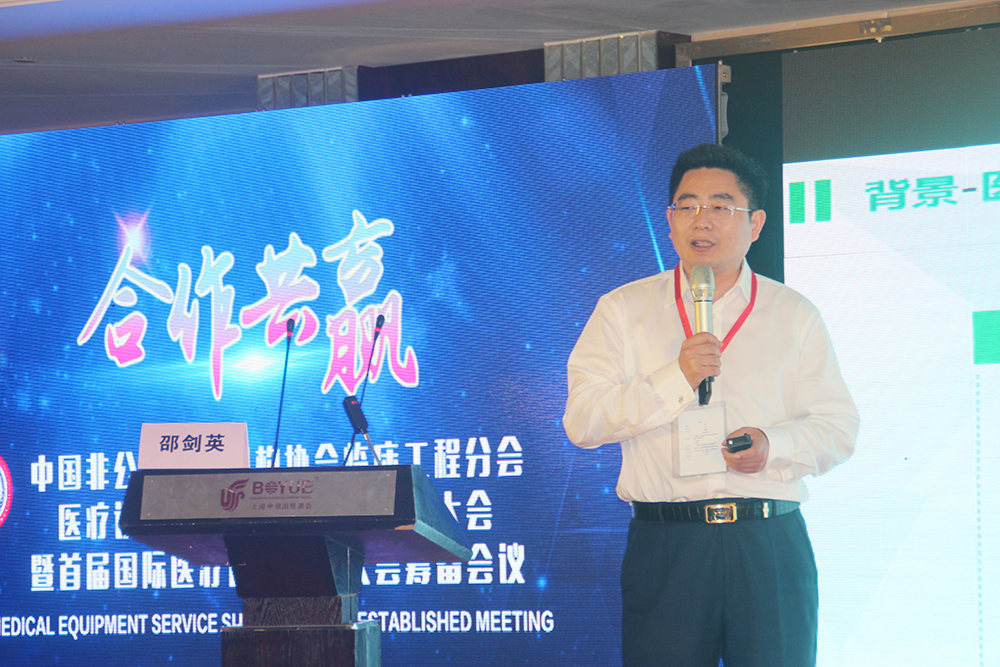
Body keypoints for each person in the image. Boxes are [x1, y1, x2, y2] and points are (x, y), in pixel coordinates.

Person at [562, 143, 859, 667]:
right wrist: (675, 377)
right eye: (688, 206)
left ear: (756, 223)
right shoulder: (623, 309)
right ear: (669, 220)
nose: (701, 220)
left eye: (721, 206)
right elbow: (583, 421)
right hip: (667, 546)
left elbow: (838, 429)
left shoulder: (793, 314)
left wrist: (773, 445)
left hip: (767, 543)